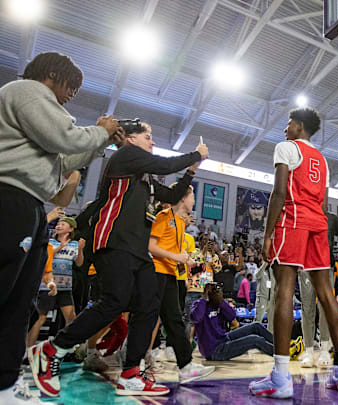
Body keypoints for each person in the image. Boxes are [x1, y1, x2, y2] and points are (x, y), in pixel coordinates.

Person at [29, 120, 208, 398]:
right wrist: (195, 154)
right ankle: (52, 349)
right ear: (131, 139)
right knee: (114, 302)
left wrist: (191, 170)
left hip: (137, 250)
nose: (152, 141)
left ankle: (130, 373)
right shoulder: (125, 156)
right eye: (148, 136)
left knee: (149, 304)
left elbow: (173, 195)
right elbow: (163, 165)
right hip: (113, 242)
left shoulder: (145, 178)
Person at [0, 51, 122, 403]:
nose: (73, 95)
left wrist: (99, 141)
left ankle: (5, 385)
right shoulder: (26, 90)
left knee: (18, 302)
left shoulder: (40, 117)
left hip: (32, 205)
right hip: (9, 197)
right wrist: (99, 131)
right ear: (53, 75)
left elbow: (65, 161)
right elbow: (65, 138)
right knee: (4, 292)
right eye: (72, 87)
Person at [249, 108, 338, 399]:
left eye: (288, 124)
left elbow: (279, 192)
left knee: (284, 291)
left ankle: (281, 377)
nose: (285, 129)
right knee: (326, 294)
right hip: (318, 226)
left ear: (298, 126)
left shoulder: (286, 147)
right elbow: (324, 204)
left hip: (293, 222)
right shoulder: (322, 159)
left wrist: (268, 235)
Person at [147, 185, 215, 383]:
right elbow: (151, 246)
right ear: (183, 198)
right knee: (149, 320)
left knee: (175, 320)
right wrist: (177, 256)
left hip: (169, 274)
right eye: (192, 196)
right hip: (156, 273)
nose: (194, 201)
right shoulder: (164, 216)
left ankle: (185, 366)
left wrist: (185, 261)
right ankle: (138, 363)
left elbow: (172, 252)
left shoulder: (179, 222)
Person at [298, 212, 338, 368]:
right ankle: (308, 351)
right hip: (305, 267)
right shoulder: (303, 214)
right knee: (307, 309)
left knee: (324, 309)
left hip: (325, 267)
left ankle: (324, 350)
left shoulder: (332, 218)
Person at [27, 217, 84, 348]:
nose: (58, 226)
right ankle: (29, 349)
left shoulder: (74, 244)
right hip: (48, 286)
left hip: (65, 287)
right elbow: (46, 256)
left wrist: (80, 249)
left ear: (71, 229)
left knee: (71, 318)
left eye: (62, 224)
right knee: (40, 318)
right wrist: (61, 247)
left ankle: (69, 348)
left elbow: (79, 263)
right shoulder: (50, 242)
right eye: (58, 224)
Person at [191, 283, 274, 361]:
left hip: (224, 339)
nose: (217, 293)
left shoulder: (219, 304)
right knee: (256, 340)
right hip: (214, 350)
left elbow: (232, 316)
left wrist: (221, 301)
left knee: (256, 326)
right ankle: (279, 353)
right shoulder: (199, 304)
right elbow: (195, 318)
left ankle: (280, 345)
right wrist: (204, 298)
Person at [254, 262, 275, 332]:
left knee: (272, 322)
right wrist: (264, 265)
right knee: (258, 319)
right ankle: (254, 336)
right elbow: (257, 276)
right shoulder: (259, 270)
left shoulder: (272, 272)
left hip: (272, 299)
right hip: (262, 298)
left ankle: (269, 339)